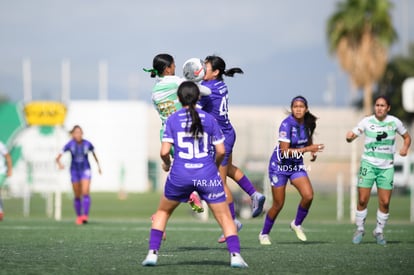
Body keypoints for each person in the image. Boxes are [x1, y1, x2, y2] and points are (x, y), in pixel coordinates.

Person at [142, 81, 248, 268]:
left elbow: (164, 152)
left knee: (163, 212)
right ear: (199, 97)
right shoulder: (209, 119)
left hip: (180, 175)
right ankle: (235, 256)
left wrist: (167, 165)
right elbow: (222, 151)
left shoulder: (173, 119)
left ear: (179, 98)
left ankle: (152, 254)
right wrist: (214, 167)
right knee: (225, 217)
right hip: (206, 174)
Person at [199, 55, 266, 243]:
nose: (202, 70)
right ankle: (255, 194)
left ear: (216, 72)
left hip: (220, 138)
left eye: (206, 68)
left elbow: (192, 105)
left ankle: (232, 222)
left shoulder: (209, 89)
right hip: (227, 133)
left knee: (219, 184)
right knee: (228, 169)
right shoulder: (219, 85)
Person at [144, 53, 211, 213]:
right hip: (183, 132)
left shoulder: (154, 92)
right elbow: (206, 91)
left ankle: (162, 212)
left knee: (177, 170)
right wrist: (196, 81)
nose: (175, 67)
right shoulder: (176, 82)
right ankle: (193, 192)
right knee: (195, 166)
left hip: (166, 134)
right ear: (167, 69)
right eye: (173, 65)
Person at [258, 95, 324, 245]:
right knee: (278, 204)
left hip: (295, 165)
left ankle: (296, 224)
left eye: (301, 107)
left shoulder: (309, 123)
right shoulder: (286, 125)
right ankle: (264, 234)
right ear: (292, 109)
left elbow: (308, 138)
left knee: (308, 196)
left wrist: (312, 150)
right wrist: (309, 149)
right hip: (279, 166)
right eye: (295, 107)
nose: (298, 109)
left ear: (306, 109)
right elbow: (284, 152)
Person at [346, 95, 411, 245]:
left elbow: (407, 137)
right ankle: (360, 229)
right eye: (377, 105)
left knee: (385, 202)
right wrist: (349, 137)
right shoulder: (367, 121)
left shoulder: (394, 122)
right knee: (362, 199)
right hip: (368, 165)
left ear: (388, 108)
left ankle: (379, 231)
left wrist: (405, 148)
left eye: (382, 106)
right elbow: (353, 134)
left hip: (386, 167)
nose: (379, 108)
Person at [56, 125, 102, 225]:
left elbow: (94, 154)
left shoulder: (87, 144)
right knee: (77, 194)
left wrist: (98, 166)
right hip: (74, 171)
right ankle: (79, 216)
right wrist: (59, 164)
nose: (78, 134)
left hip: (85, 169)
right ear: (73, 134)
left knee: (85, 192)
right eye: (76, 132)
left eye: (80, 132)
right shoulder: (70, 144)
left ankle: (85, 215)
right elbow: (58, 157)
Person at [0, 141, 12, 221]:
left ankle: (0, 212)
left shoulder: (0, 144)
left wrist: (10, 169)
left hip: (1, 171)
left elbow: (7, 156)